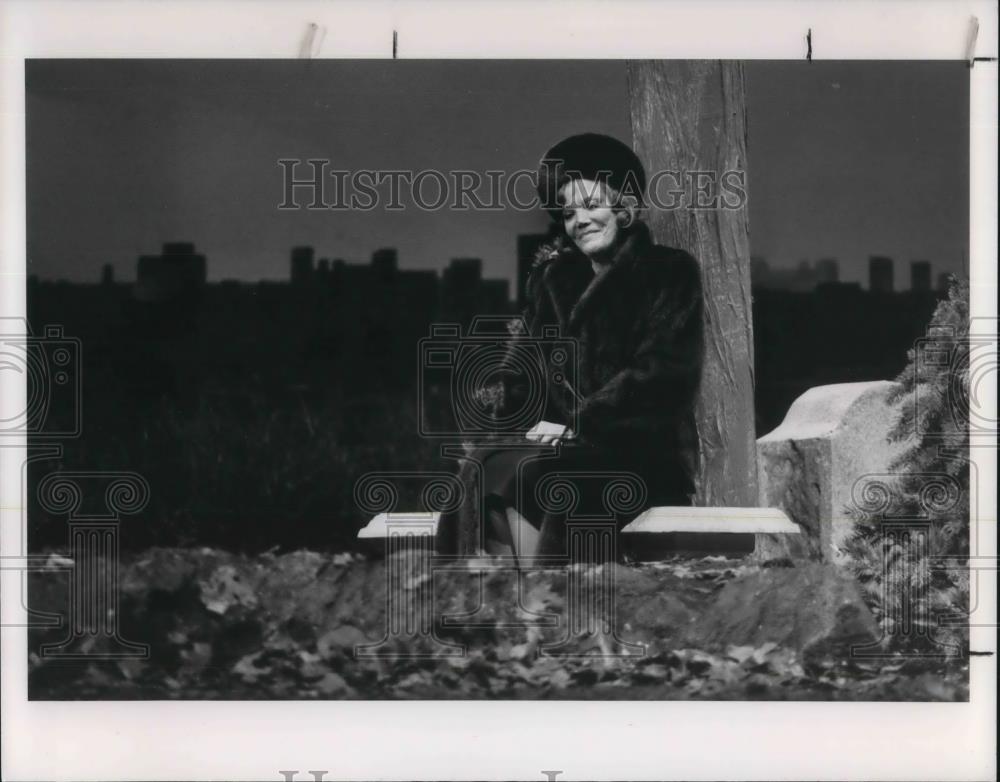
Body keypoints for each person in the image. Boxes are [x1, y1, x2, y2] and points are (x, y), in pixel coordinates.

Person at [434, 132, 704, 561]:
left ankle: (549, 598)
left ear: (623, 208)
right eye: (568, 212)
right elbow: (523, 375)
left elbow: (663, 373)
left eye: (592, 205)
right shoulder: (552, 282)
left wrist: (581, 424)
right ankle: (492, 602)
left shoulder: (668, 272)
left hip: (637, 452)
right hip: (561, 450)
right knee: (483, 469)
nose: (580, 220)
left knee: (548, 476)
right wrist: (514, 425)